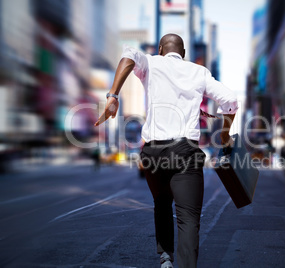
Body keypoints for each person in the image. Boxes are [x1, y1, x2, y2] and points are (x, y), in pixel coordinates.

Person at [94, 33, 238, 268]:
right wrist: (224, 134)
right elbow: (230, 101)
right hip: (184, 152)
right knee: (188, 217)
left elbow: (129, 54)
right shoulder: (198, 72)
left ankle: (166, 258)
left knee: (161, 201)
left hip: (153, 153)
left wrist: (113, 96)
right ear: (183, 54)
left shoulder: (151, 63)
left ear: (160, 49)